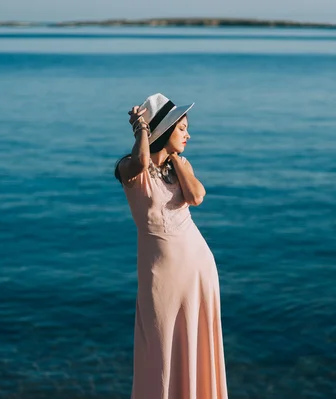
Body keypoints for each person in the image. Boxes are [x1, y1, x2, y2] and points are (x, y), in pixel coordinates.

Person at [114, 93, 228, 399]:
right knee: (161, 344)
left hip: (197, 267)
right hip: (160, 273)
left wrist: (176, 159)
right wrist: (142, 132)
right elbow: (141, 160)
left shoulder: (181, 165)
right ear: (163, 132)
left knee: (196, 340)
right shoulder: (129, 169)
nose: (188, 135)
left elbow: (196, 196)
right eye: (182, 129)